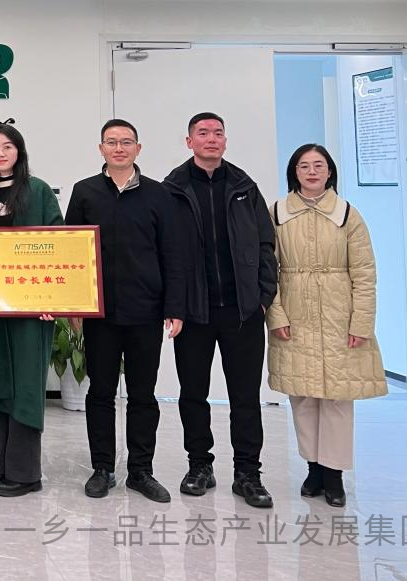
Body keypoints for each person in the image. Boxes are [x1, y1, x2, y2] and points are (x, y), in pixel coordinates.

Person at [64, 119, 184, 503]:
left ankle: (141, 471)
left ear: (138, 148)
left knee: (142, 395)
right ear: (101, 148)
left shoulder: (158, 194)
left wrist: (174, 307)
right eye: (112, 142)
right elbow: (71, 251)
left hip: (146, 311)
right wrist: (73, 304)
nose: (119, 148)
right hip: (100, 313)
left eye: (126, 142)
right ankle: (102, 468)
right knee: (100, 392)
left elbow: (172, 254)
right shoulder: (85, 192)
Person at [163, 112, 278, 509]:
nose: (211, 138)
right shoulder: (172, 189)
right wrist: (173, 305)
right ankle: (199, 466)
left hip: (242, 311)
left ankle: (248, 473)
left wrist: (263, 297)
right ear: (189, 141)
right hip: (194, 311)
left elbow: (265, 244)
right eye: (203, 133)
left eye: (217, 133)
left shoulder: (245, 187)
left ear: (225, 141)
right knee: (193, 393)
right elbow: (164, 252)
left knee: (245, 396)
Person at [267, 144, 386, 507]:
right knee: (302, 395)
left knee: (337, 395)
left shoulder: (348, 214)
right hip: (295, 314)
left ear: (330, 171)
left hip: (339, 315)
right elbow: (267, 270)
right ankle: (313, 469)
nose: (312, 172)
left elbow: (364, 273)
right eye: (304, 166)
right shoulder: (277, 213)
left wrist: (361, 322)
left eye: (319, 165)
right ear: (294, 172)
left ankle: (334, 475)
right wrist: (276, 315)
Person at [0, 123, 63, 498]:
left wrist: (53, 299)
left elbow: (59, 243)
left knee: (25, 385)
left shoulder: (38, 190)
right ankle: (4, 463)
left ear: (19, 151)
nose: (0, 153)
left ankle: (26, 473)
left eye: (7, 146)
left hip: (32, 307)